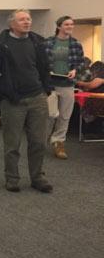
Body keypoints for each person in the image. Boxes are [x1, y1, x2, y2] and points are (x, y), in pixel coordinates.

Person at [0, 9, 53, 193]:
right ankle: (12, 179)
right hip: (12, 101)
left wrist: (46, 89)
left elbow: (45, 67)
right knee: (12, 144)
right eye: (22, 19)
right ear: (11, 24)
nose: (27, 22)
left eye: (28, 19)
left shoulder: (37, 42)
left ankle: (38, 177)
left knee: (39, 142)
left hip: (37, 97)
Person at [44, 16, 84, 159]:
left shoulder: (76, 44)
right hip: (50, 84)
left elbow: (80, 62)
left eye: (72, 24)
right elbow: (40, 61)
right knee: (50, 114)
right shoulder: (48, 43)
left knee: (65, 116)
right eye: (67, 24)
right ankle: (42, 140)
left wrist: (75, 70)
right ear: (59, 26)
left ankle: (59, 142)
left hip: (67, 84)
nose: (70, 26)